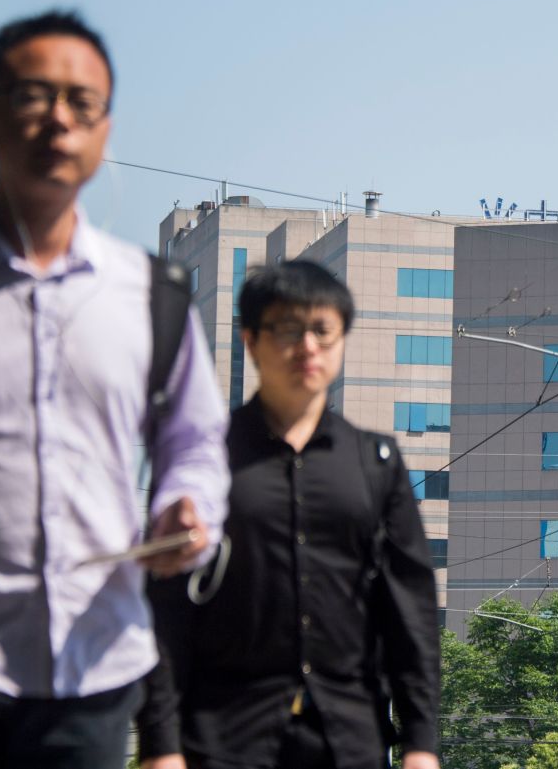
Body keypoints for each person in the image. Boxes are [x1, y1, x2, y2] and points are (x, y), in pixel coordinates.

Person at [0, 11, 230, 768]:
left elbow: (193, 439)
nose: (59, 117)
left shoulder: (153, 294)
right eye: (33, 95)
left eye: (81, 102)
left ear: (104, 130)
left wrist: (185, 507)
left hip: (95, 663)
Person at [137, 260, 442, 769]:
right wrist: (159, 744)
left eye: (323, 331)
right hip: (225, 735)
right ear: (250, 340)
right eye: (287, 330)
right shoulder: (202, 459)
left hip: (349, 737)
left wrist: (421, 744)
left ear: (343, 339)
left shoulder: (375, 462)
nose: (308, 347)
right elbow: (165, 606)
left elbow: (410, 611)